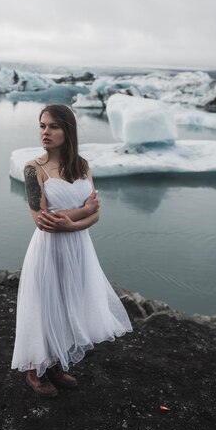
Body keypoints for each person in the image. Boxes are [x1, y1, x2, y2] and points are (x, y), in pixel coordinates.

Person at [11, 104, 133, 397]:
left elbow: (97, 216)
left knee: (69, 303)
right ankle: (34, 369)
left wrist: (73, 223)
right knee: (45, 304)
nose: (45, 132)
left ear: (68, 130)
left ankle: (55, 363)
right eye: (42, 126)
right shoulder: (33, 169)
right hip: (49, 249)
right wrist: (81, 213)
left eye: (53, 126)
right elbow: (42, 221)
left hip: (79, 246)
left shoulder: (82, 166)